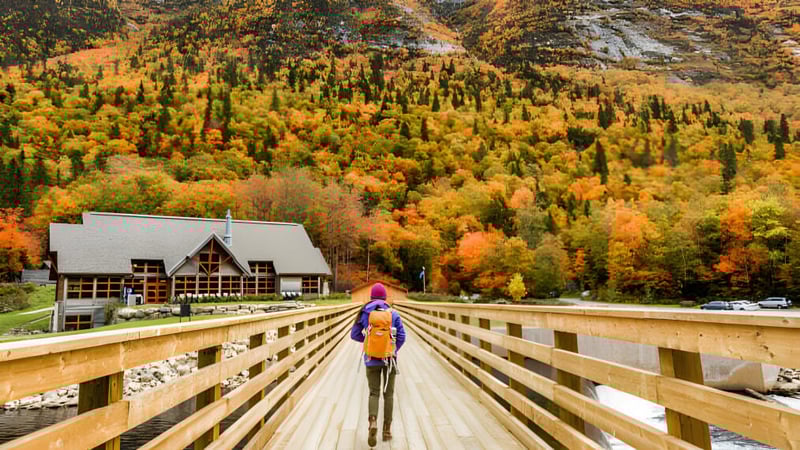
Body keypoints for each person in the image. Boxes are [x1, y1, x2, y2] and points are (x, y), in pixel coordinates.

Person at [350, 283, 406, 447]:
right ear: (385, 297)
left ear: (371, 297)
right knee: (388, 394)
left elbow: (354, 334)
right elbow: (402, 336)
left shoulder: (364, 312)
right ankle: (386, 431)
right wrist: (392, 349)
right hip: (390, 360)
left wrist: (369, 342)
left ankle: (372, 421)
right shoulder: (393, 313)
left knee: (373, 393)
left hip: (371, 359)